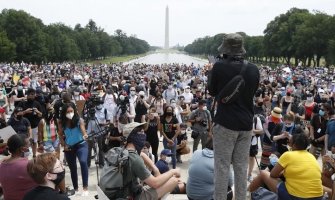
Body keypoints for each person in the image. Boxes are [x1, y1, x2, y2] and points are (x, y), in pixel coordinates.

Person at [207, 33, 260, 200]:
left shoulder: (219, 67)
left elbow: (212, 91)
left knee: (222, 167)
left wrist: (213, 69)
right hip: (246, 124)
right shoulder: (253, 69)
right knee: (241, 167)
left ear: (226, 49)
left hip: (225, 123)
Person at [106, 122, 180, 200]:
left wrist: (155, 168)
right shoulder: (134, 158)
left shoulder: (119, 150)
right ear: (133, 136)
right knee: (174, 180)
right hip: (132, 197)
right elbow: (155, 183)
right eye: (141, 132)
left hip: (118, 193)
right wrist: (173, 171)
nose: (144, 135)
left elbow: (141, 154)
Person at [248, 132, 324, 200]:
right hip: (318, 197)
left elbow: (273, 174)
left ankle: (245, 195)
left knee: (263, 173)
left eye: (289, 142)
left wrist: (282, 172)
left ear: (293, 145)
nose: (288, 144)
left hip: (296, 197)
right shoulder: (311, 156)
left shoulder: (288, 154)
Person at [58, 103, 89, 196]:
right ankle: (75, 188)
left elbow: (83, 130)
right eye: (68, 112)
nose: (70, 113)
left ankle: (85, 187)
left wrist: (85, 135)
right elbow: (60, 135)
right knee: (72, 168)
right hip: (69, 147)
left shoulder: (79, 120)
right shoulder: (61, 122)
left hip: (81, 145)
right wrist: (64, 145)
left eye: (71, 111)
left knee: (83, 162)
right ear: (64, 113)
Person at [0, 134, 37, 200]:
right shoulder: (27, 164)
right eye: (29, 145)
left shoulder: (2, 165)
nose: (30, 146)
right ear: (22, 149)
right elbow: (43, 180)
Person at [19, 88, 43, 158]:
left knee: (34, 141)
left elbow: (41, 115)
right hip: (24, 127)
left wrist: (37, 112)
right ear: (28, 95)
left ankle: (34, 155)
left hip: (34, 126)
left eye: (34, 94)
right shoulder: (22, 103)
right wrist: (25, 112)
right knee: (24, 143)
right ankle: (24, 157)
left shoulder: (36, 103)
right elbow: (16, 114)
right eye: (32, 94)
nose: (33, 96)